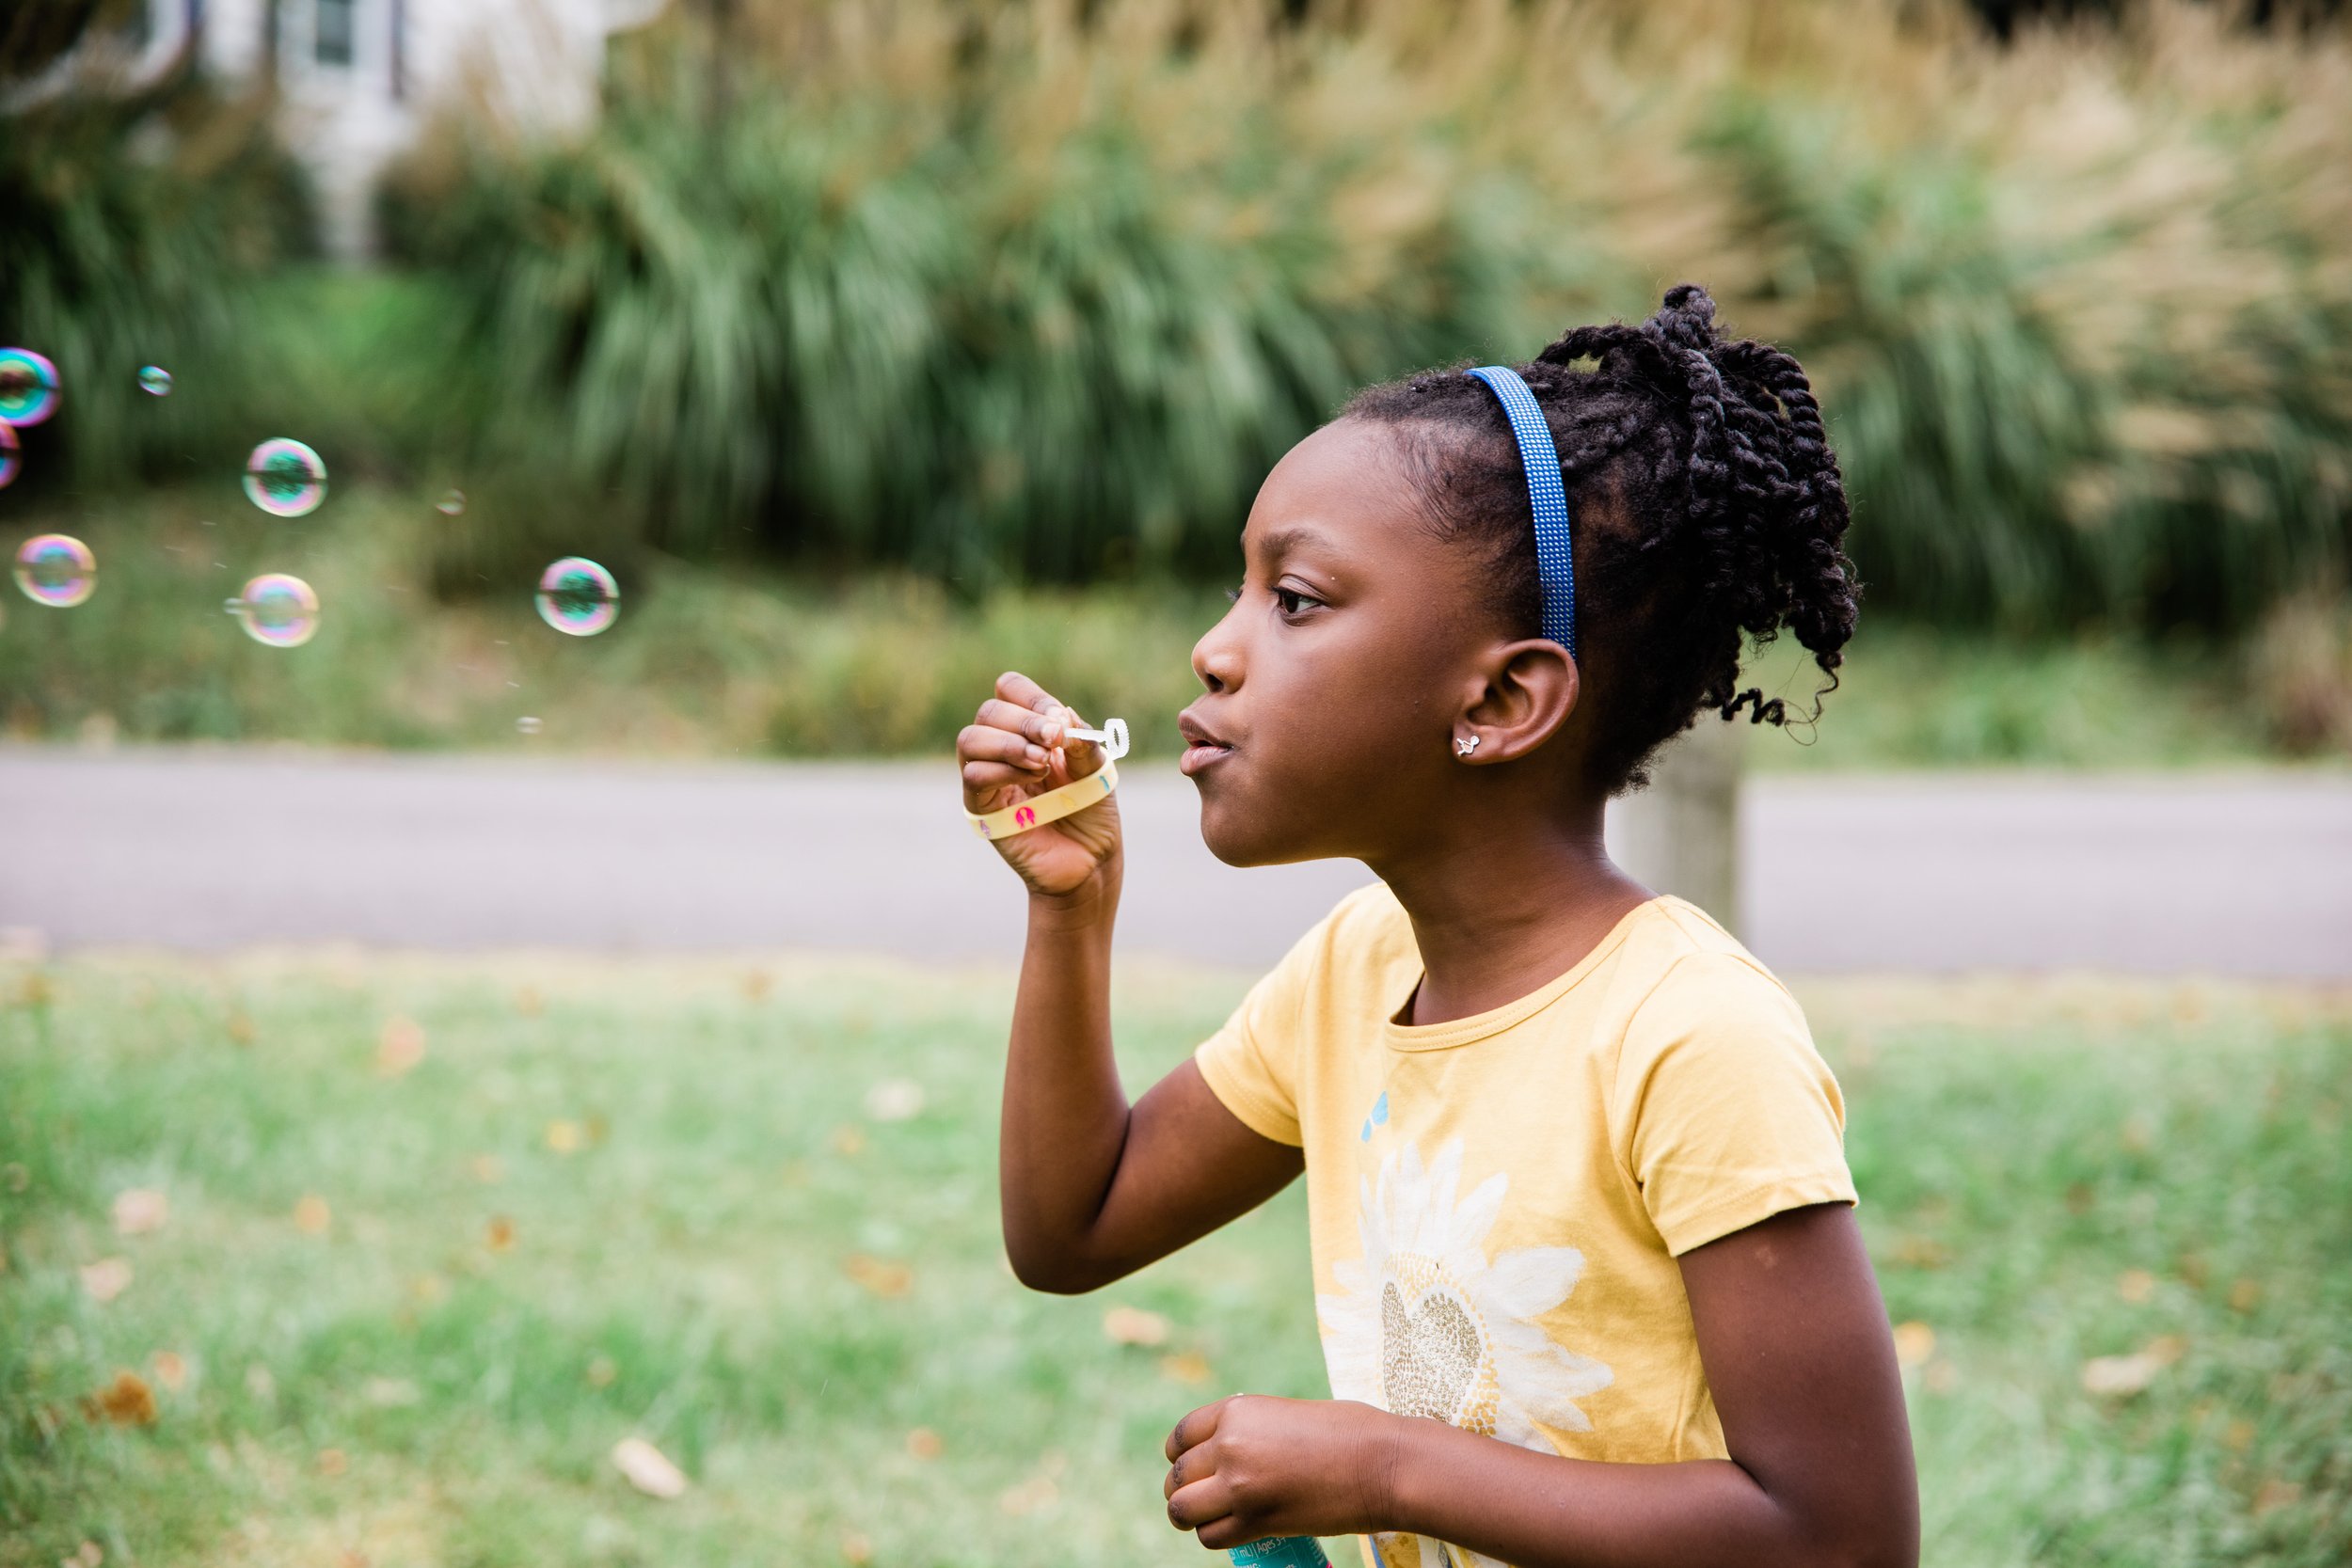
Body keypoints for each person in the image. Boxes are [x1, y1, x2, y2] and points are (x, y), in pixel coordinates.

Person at [954, 285, 1917, 1568]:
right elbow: (1074, 1228)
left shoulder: (1689, 1037)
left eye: (1292, 599)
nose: (1212, 651)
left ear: (1503, 699)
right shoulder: (1359, 972)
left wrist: (1391, 1468)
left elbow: (1844, 1540)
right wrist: (1072, 912)